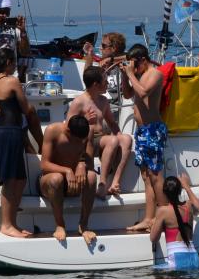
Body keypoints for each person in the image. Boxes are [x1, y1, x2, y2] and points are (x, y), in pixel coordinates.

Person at [0, 48, 43, 238]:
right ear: (9, 62)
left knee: (20, 179)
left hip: (1, 130)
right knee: (11, 181)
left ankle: (13, 224)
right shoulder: (12, 81)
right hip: (10, 132)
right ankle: (6, 225)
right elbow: (26, 108)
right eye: (14, 62)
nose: (15, 66)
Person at [67, 66, 134, 198]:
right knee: (113, 140)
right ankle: (102, 184)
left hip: (101, 139)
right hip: (85, 141)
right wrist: (85, 121)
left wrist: (120, 136)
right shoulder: (79, 102)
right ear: (95, 85)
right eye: (105, 81)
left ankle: (115, 182)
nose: (108, 83)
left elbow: (112, 123)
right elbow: (69, 127)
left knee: (126, 139)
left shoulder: (103, 101)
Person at [121, 44, 166, 232]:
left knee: (156, 176)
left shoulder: (155, 74)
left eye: (135, 64)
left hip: (153, 131)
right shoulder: (138, 75)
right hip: (141, 132)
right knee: (146, 177)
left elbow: (143, 92)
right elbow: (127, 94)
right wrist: (125, 75)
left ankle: (164, 217)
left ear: (143, 60)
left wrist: (131, 74)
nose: (134, 68)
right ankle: (149, 219)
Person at [38, 113, 98, 245]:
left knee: (92, 177)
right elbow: (44, 165)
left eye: (81, 141)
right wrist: (67, 170)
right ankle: (60, 224)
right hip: (50, 181)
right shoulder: (53, 131)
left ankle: (84, 225)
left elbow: (90, 164)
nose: (79, 144)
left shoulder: (87, 133)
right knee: (56, 179)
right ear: (67, 131)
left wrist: (82, 164)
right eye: (76, 141)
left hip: (73, 184)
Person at [150, 173, 199, 271]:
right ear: (180, 191)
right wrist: (187, 186)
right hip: (195, 257)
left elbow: (153, 238)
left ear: (164, 192)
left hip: (177, 260)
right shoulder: (188, 206)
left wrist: (154, 224)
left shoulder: (163, 211)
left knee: (152, 273)